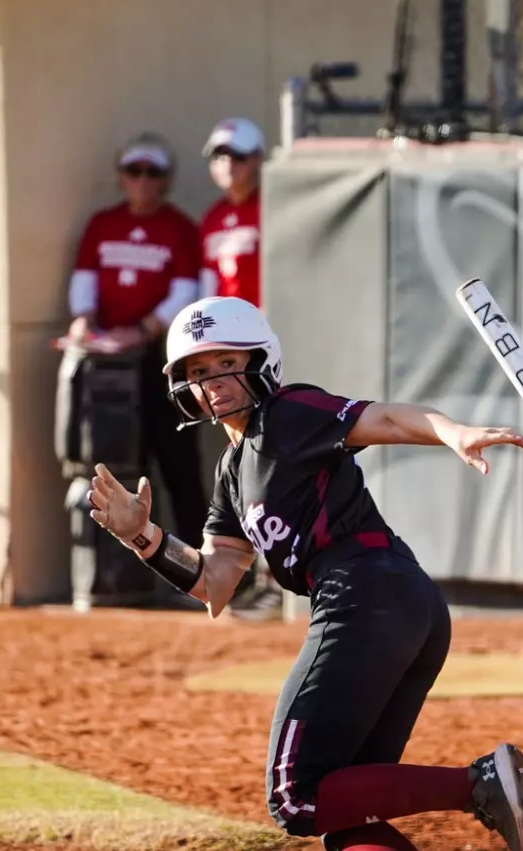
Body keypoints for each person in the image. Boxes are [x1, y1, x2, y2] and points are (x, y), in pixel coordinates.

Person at [86, 295, 523, 851]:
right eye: (199, 372)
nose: (214, 383)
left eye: (227, 365)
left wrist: (453, 433)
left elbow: (387, 418)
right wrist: (142, 539)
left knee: (292, 794)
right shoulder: (232, 476)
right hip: (400, 604)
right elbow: (216, 586)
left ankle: (479, 783)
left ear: (260, 364)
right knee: (338, 803)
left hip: (365, 594)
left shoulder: (291, 414)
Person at [61, 133, 209, 541]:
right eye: (134, 171)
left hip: (161, 363)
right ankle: (126, 575)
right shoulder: (102, 224)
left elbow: (184, 292)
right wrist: (84, 321)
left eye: (152, 173)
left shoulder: (180, 228)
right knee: (123, 467)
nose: (142, 181)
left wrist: (141, 330)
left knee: (178, 465)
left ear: (166, 180)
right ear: (121, 177)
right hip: (108, 367)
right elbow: (84, 284)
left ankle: (197, 565)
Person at [195, 117, 283, 619]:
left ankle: (274, 579)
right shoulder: (212, 218)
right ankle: (250, 577)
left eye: (239, 155)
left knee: (272, 454)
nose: (229, 165)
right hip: (224, 364)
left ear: (258, 161)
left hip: (261, 357)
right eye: (219, 155)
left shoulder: (271, 208)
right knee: (240, 458)